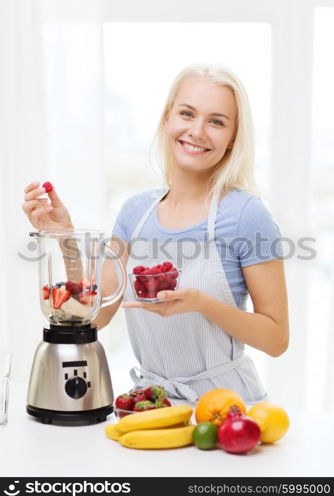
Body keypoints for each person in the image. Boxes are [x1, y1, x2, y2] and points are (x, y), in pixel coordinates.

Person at [23, 63, 289, 405]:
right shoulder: (134, 213)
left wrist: (201, 304)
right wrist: (64, 238)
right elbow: (97, 313)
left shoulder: (247, 215)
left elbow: (277, 339)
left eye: (217, 121)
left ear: (232, 138)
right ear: (167, 119)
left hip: (230, 407)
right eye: (187, 113)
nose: (197, 131)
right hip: (154, 403)